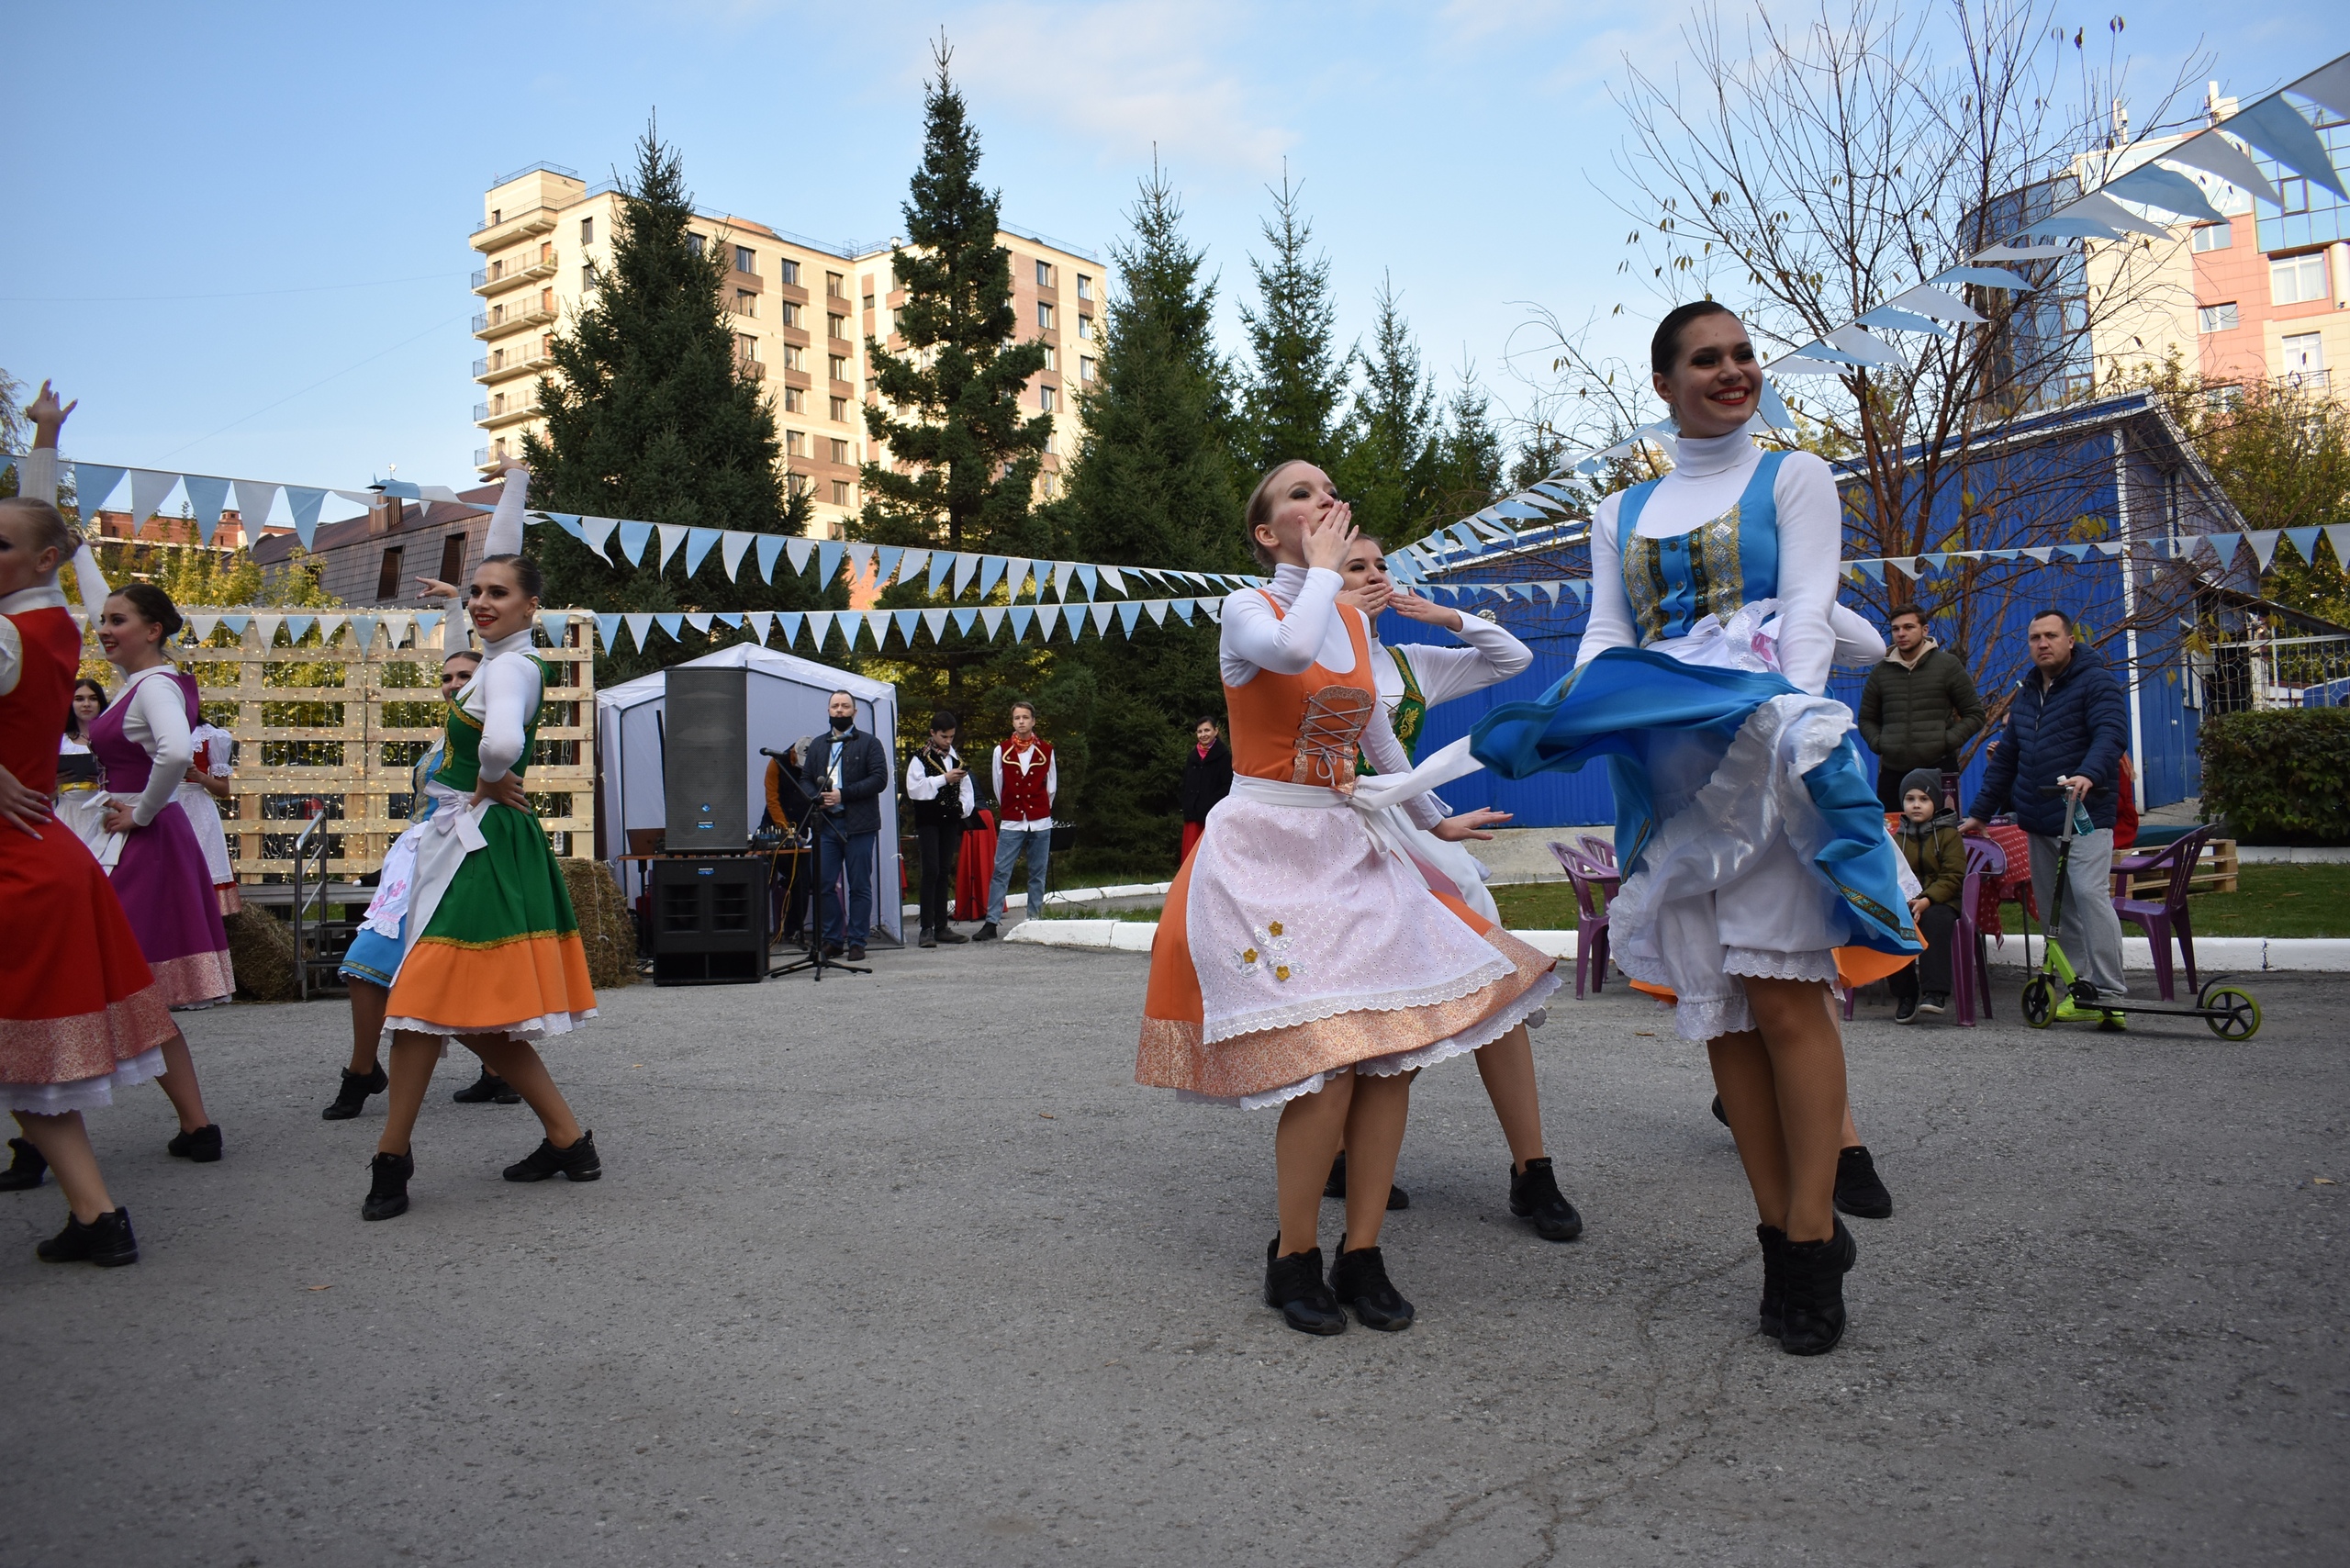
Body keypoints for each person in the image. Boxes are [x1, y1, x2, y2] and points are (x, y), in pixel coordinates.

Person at [1472, 303, 1919, 1356]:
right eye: (1706, 360)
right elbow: (1604, 631)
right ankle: (1777, 1228)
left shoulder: (1795, 476)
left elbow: (1808, 608)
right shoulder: (1620, 508)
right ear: (1666, 384)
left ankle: (1812, 1238)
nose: (1733, 371)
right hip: (1665, 782)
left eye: (1742, 355)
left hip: (1770, 762)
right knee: (1721, 1014)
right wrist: (1566, 712)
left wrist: (1789, 723)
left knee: (1786, 999)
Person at [1137, 459, 1561, 1337]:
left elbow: (1382, 755)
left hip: (1349, 843)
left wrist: (1432, 822)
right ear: (1266, 533)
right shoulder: (1249, 609)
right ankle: (1292, 1255)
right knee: (1325, 1067)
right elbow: (1291, 651)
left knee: (1389, 1057)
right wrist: (1326, 573)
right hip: (1264, 846)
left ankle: (1360, 1251)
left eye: (1326, 490)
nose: (1320, 500)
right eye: (1299, 494)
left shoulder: (1362, 635)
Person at [1329, 538, 1584, 1242]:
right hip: (1334, 844)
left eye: (1381, 566)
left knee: (1491, 989)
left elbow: (1514, 660)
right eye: (1357, 567)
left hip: (1408, 836)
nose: (1375, 576)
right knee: (1377, 1013)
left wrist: (1443, 615)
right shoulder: (1294, 657)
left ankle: (1532, 1170)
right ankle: (1343, 1152)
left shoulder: (1409, 664)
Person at [367, 463, 600, 1220]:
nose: (480, 601)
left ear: (533, 606)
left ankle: (391, 1159)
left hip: (479, 841)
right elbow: (499, 554)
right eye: (476, 592)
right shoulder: (503, 658)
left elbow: (500, 743)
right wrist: (520, 486)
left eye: (499, 594)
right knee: (464, 1014)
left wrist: (484, 780)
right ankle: (568, 1139)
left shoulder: (510, 670)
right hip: (476, 838)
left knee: (416, 1004)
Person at [0, 380, 178, 1263]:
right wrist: (41, 440)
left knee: (32, 1062)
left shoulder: (15, 635)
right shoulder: (50, 625)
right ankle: (97, 1216)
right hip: (51, 847)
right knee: (31, 1066)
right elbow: (36, 530)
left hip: (30, 851)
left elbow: (35, 533)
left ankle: (103, 1213)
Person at [322, 646, 516, 1119]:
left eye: (464, 677)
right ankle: (364, 1069)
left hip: (458, 858)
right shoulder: (449, 733)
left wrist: (458, 609)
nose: (453, 684)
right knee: (365, 965)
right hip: (417, 856)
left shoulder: (495, 734)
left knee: (448, 972)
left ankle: (500, 1071)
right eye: (446, 677)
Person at [91, 580, 229, 1161]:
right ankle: (196, 1127)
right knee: (123, 987)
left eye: (116, 621)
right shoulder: (141, 684)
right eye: (101, 619)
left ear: (152, 630)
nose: (103, 629)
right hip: (137, 836)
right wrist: (75, 551)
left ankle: (41, 1134)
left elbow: (176, 753)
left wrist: (140, 813)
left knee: (112, 983)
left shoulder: (153, 686)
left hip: (143, 842)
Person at [1960, 609, 2131, 1017]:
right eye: (2035, 637)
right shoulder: (2027, 692)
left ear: (2070, 640)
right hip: (2037, 818)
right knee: (2058, 906)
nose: (2043, 644)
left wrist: (2088, 773)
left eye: (2051, 636)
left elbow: (2111, 733)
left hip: (2086, 813)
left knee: (2089, 896)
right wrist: (1981, 814)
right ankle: (2079, 989)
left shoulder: (2096, 681)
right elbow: (2007, 759)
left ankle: (2109, 990)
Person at [1859, 603, 1984, 812]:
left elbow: (1975, 714)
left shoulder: (1947, 666)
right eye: (1896, 629)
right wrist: (1879, 743)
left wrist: (1947, 740)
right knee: (1894, 839)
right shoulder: (1881, 671)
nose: (1901, 634)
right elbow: (1866, 719)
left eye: (1909, 627)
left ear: (1925, 630)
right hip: (1893, 772)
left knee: (1943, 837)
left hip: (1938, 768)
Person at [800, 689, 888, 962]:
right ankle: (833, 939)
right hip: (826, 825)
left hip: (859, 826)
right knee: (824, 884)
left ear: (854, 712)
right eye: (835, 706)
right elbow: (804, 779)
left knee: (859, 885)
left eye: (845, 706)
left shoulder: (869, 743)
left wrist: (843, 794)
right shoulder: (817, 745)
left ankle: (858, 941)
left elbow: (879, 779)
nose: (840, 710)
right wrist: (816, 798)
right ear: (828, 711)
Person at [1888, 767, 1966, 1025]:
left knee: (1934, 920)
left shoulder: (1949, 835)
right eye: (1910, 799)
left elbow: (1953, 876)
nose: (1917, 805)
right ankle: (1906, 996)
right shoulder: (1896, 838)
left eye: (1924, 799)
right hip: (1907, 901)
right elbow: (1890, 873)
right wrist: (1902, 900)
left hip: (1942, 900)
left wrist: (1927, 899)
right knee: (1891, 923)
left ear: (1935, 802)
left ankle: (1934, 993)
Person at [977, 700, 1055, 939]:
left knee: (1037, 872)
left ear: (1033, 721)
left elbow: (1051, 787)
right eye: (1017, 718)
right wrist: (1012, 810)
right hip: (1013, 821)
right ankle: (991, 921)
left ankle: (1034, 918)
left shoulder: (1046, 751)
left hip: (1040, 821)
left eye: (1025, 717)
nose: (1021, 721)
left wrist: (1039, 811)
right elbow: (998, 785)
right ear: (1012, 722)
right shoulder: (1001, 751)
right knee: (1001, 870)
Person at [905, 709, 975, 947]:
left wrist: (962, 808)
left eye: (951, 737)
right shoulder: (920, 758)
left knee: (944, 870)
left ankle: (942, 926)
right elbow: (915, 789)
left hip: (948, 820)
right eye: (944, 736)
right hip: (928, 820)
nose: (948, 741)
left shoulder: (955, 758)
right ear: (933, 733)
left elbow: (966, 787)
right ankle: (926, 928)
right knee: (931, 870)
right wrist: (944, 779)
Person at [177, 718, 240, 914]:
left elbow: (223, 790)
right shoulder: (153, 729)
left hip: (198, 807)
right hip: (164, 803)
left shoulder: (210, 735)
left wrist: (199, 776)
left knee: (202, 866)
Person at [54, 677, 110, 856]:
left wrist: (105, 780)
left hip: (102, 809)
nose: (86, 704)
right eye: (79, 699)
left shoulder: (111, 739)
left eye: (92, 698)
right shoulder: (60, 741)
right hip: (68, 810)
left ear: (100, 702)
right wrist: (54, 782)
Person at [1176, 716, 1232, 864]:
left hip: (1212, 816)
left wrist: (1212, 805)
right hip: (1193, 815)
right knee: (1190, 857)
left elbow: (1227, 786)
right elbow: (1186, 784)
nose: (1203, 734)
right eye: (1199, 731)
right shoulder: (1192, 756)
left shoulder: (1224, 756)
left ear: (1215, 731)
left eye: (1207, 730)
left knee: (1209, 857)